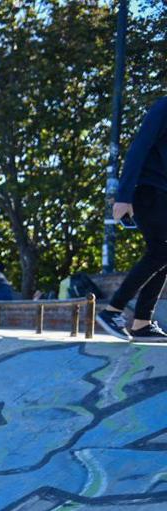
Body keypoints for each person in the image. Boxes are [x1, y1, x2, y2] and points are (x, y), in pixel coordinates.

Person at [98, 97, 167, 341]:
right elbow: (139, 148)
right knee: (160, 252)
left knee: (163, 255)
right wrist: (123, 196)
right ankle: (112, 311)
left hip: (162, 194)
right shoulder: (164, 107)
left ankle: (141, 323)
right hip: (148, 191)